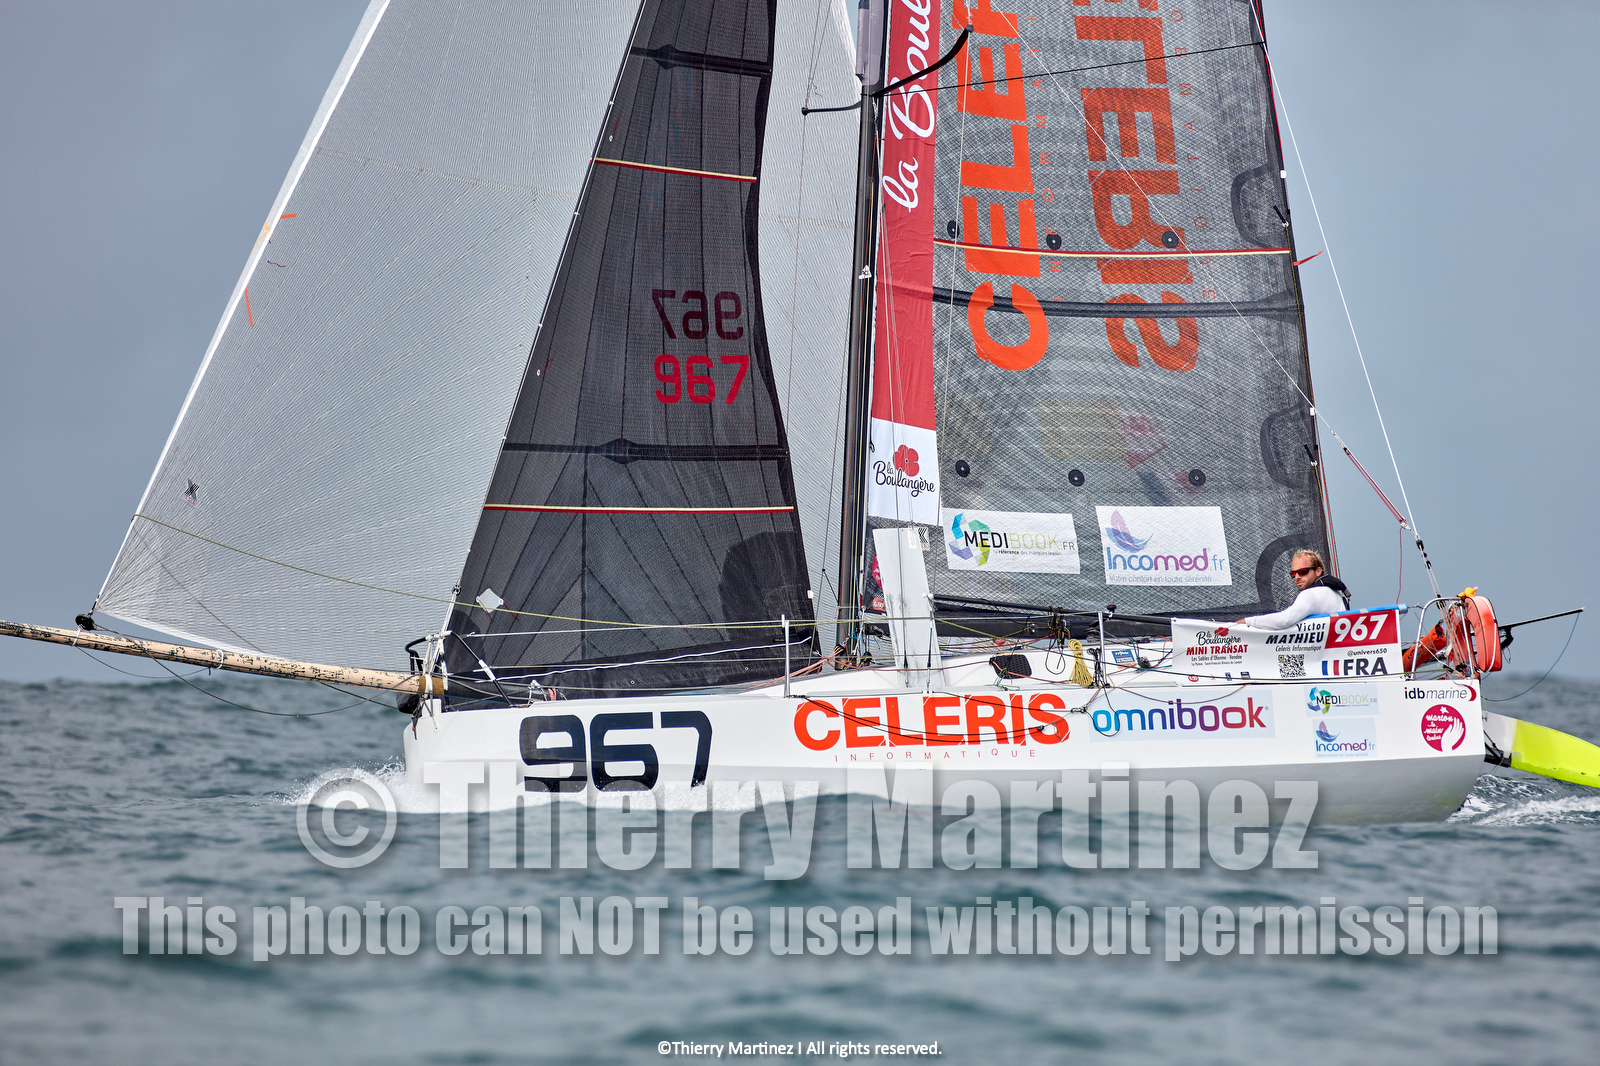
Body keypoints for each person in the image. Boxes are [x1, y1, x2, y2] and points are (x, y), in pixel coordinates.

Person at [1239, 549, 1350, 630]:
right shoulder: (1335, 593)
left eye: (1303, 572)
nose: (1297, 577)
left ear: (1318, 571)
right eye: (1293, 573)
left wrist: (1246, 622)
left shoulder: (1311, 594)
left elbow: (1285, 620)